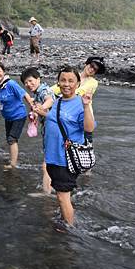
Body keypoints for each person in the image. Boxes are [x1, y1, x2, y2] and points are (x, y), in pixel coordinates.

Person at [44, 66, 94, 226]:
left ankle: (69, 231)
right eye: (63, 80)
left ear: (78, 83)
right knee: (61, 195)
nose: (66, 84)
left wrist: (86, 106)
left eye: (71, 81)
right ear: (58, 82)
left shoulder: (80, 103)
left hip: (65, 159)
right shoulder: (57, 101)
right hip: (52, 157)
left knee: (62, 196)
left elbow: (89, 128)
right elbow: (54, 121)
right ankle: (65, 220)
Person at [0, 62, 33, 168]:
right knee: (9, 139)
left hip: (19, 115)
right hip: (8, 116)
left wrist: (33, 108)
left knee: (12, 139)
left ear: (4, 72)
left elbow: (25, 94)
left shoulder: (11, 84)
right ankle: (13, 157)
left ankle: (13, 164)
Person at [21, 67, 55, 194]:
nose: (28, 84)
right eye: (26, 83)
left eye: (30, 81)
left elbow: (50, 100)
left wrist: (40, 108)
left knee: (47, 162)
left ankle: (46, 192)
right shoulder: (37, 93)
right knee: (52, 161)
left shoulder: (44, 90)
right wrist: (35, 115)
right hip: (49, 128)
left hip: (53, 129)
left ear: (38, 79)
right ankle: (52, 187)